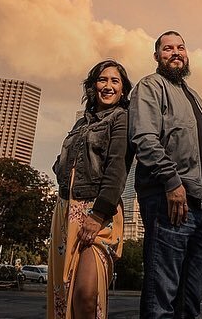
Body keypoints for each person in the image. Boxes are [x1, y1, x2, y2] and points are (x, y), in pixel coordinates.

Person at [129, 31, 202, 319]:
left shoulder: (193, 96)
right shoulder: (150, 86)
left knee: (191, 298)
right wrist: (172, 182)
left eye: (180, 47)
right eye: (167, 48)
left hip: (201, 203)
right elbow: (144, 138)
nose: (175, 52)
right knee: (162, 297)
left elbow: (201, 147)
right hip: (168, 198)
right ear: (157, 56)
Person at [49, 59, 133, 319]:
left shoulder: (121, 118)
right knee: (64, 294)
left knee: (85, 295)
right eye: (102, 80)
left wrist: (97, 215)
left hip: (99, 212)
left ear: (122, 89)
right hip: (65, 211)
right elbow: (60, 164)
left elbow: (117, 169)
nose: (108, 86)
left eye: (114, 81)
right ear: (93, 85)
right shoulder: (80, 124)